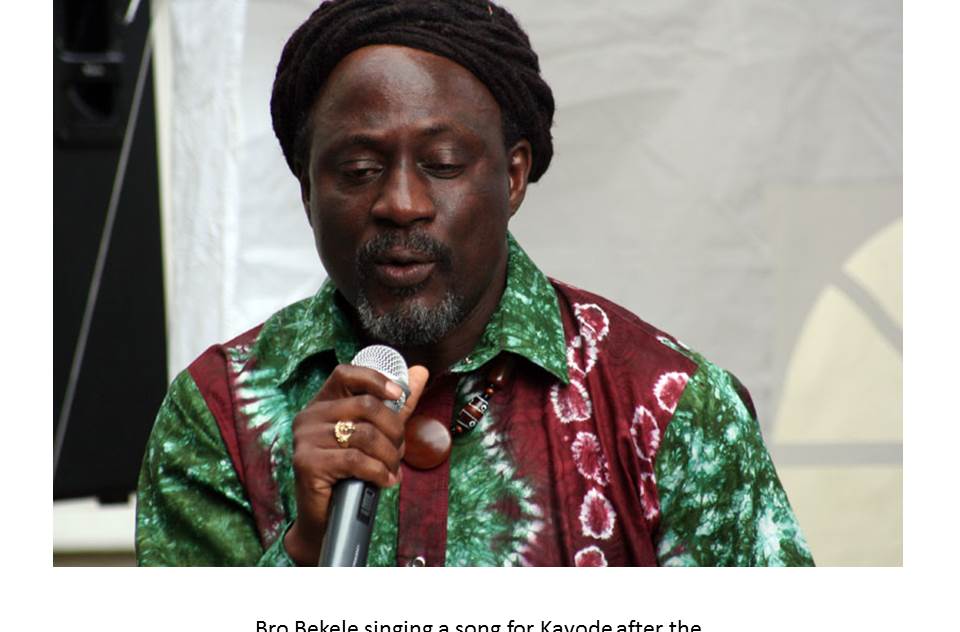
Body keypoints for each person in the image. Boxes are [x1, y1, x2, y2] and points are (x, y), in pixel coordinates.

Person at [136, 0, 814, 567]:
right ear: (307, 192)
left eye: (443, 162)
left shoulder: (667, 407)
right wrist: (305, 550)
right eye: (359, 169)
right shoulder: (217, 416)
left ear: (513, 177)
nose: (401, 203)